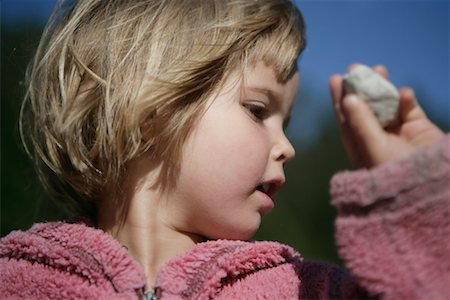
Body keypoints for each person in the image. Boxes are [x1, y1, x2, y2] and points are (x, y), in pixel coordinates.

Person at [1, 0, 448, 299]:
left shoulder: (307, 289)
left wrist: (419, 204)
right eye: (257, 110)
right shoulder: (17, 278)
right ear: (153, 111)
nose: (287, 147)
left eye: (286, 123)